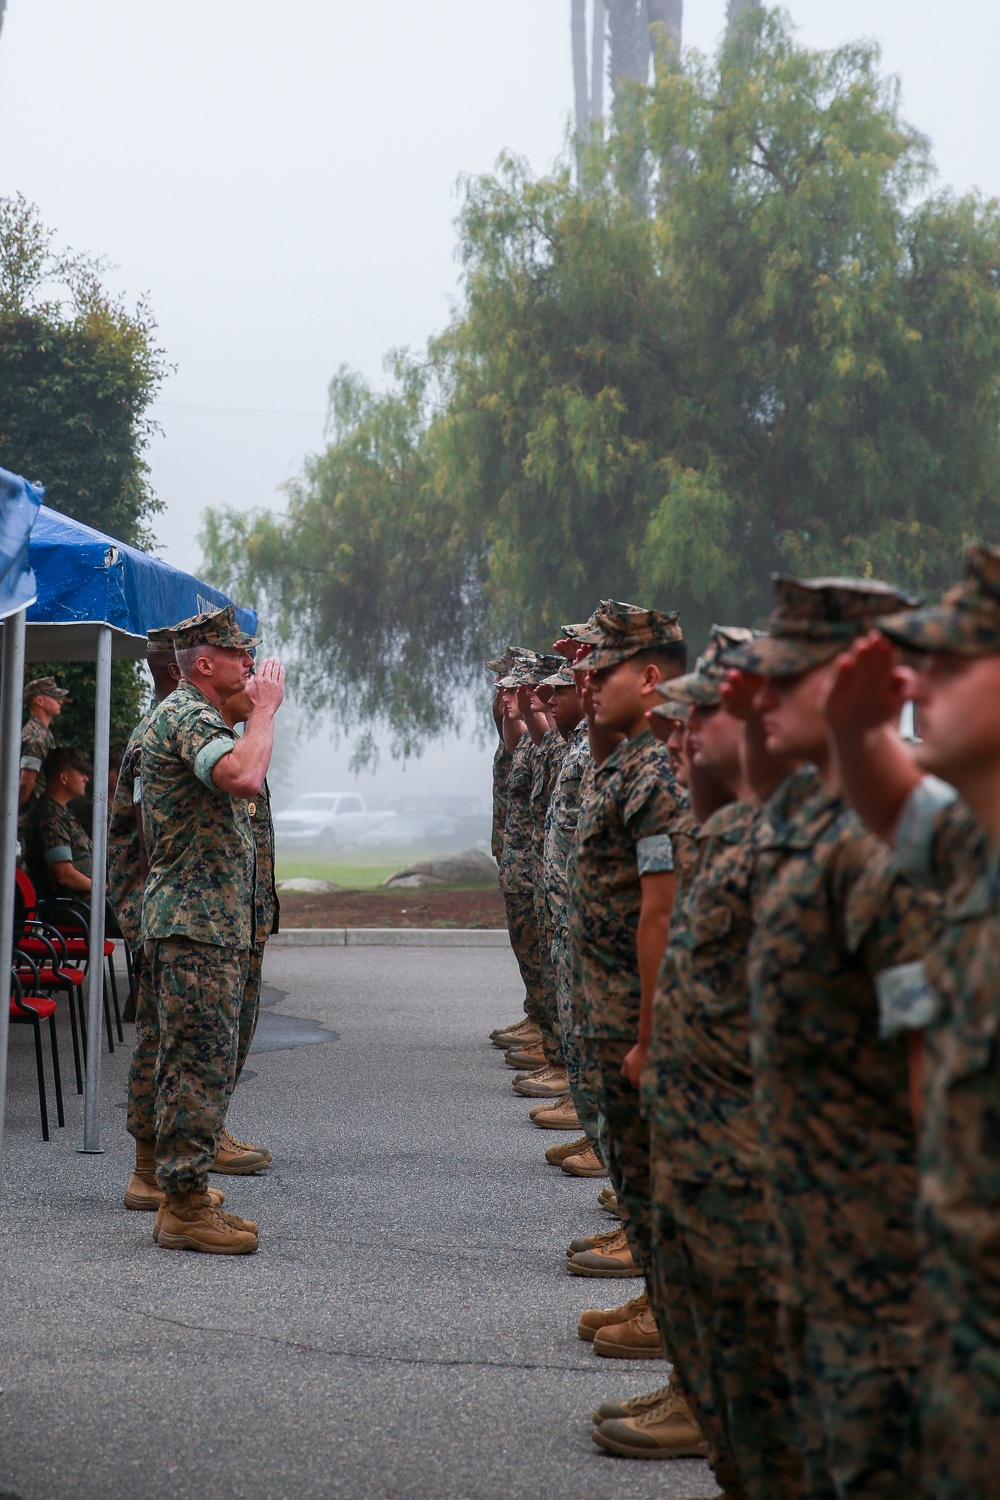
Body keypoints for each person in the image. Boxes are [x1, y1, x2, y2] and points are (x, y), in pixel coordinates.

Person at [720, 575, 938, 1498]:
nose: (757, 696)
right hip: (815, 1251)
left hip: (884, 1284)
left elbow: (937, 1078)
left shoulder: (884, 854)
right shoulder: (814, 821)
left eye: (787, 677)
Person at [822, 542, 1000, 1500]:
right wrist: (855, 731)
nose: (919, 681)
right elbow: (893, 803)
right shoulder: (976, 835)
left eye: (953, 658)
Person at [622, 627, 807, 1497]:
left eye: (707, 712)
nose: (683, 731)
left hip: (763, 1172)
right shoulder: (729, 829)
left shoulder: (816, 847)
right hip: (707, 1152)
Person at [139, 604, 283, 1256]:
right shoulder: (187, 716)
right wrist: (265, 711)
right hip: (196, 927)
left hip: (203, 923)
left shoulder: (194, 716)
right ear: (203, 663)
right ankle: (184, 1207)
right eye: (238, 655)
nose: (250, 664)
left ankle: (182, 1191)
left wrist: (248, 713)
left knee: (193, 1065)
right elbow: (244, 776)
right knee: (196, 1067)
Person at [220, 682, 279, 1100]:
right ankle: (185, 1150)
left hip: (244, 919)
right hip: (211, 923)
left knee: (234, 1032)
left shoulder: (232, 741)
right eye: (241, 665)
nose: (251, 677)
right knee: (206, 1044)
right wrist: (264, 712)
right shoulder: (190, 728)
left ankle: (210, 1130)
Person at [24, 746, 92, 899]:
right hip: (72, 905)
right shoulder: (50, 818)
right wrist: (103, 889)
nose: (86, 778)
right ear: (64, 778)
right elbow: (65, 875)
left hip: (86, 901)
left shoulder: (61, 813)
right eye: (81, 773)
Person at [18, 675, 69, 825]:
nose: (59, 701)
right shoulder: (35, 737)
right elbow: (26, 783)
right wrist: (11, 814)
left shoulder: (42, 733)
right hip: (32, 818)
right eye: (54, 697)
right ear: (39, 701)